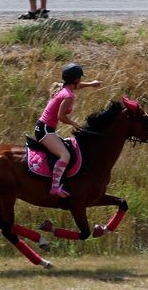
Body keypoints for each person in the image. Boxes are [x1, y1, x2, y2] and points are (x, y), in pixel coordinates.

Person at [33, 63, 103, 198]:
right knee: (65, 155)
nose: (81, 81)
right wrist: (74, 124)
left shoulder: (63, 87)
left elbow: (77, 86)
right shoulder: (68, 95)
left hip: (44, 128)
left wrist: (91, 84)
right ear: (76, 80)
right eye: (80, 79)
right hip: (45, 131)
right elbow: (61, 116)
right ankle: (55, 187)